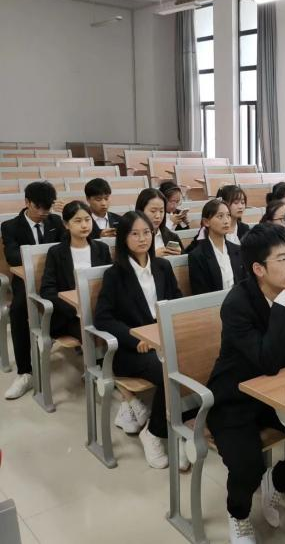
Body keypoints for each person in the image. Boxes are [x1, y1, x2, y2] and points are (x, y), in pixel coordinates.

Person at [206, 224, 285, 543]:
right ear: (258, 269)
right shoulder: (237, 304)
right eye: (282, 259)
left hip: (275, 392)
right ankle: (238, 515)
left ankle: (276, 481)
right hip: (234, 396)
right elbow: (267, 362)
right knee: (247, 465)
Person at [94, 211, 184, 468]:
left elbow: (176, 301)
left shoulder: (162, 266)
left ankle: (176, 428)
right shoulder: (115, 275)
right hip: (131, 351)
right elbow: (103, 318)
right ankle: (154, 433)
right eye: (135, 234)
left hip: (163, 342)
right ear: (123, 238)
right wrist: (135, 338)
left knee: (190, 365)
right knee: (170, 373)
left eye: (147, 232)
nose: (142, 238)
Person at [2, 181, 64, 400]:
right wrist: (47, 256)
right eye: (38, 207)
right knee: (18, 311)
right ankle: (24, 372)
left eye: (47, 207)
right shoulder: (10, 226)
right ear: (27, 202)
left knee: (73, 303)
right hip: (25, 281)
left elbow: (66, 249)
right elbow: (13, 257)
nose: (43, 212)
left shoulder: (55, 221)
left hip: (54, 280)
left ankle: (87, 358)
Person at [40, 201, 111, 343]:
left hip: (100, 310)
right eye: (78, 221)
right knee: (95, 336)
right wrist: (74, 309)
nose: (84, 225)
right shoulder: (56, 253)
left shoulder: (102, 248)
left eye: (87, 220)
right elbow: (47, 290)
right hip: (70, 316)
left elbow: (111, 283)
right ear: (66, 224)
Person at [188, 199, 246, 295]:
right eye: (220, 216)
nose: (226, 221)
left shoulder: (238, 250)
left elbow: (245, 283)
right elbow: (201, 293)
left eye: (228, 215)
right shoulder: (197, 256)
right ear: (206, 222)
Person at [135, 188, 183, 257]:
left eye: (161, 211)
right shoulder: (131, 237)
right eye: (153, 211)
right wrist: (153, 256)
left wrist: (180, 255)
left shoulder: (172, 237)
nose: (158, 216)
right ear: (141, 211)